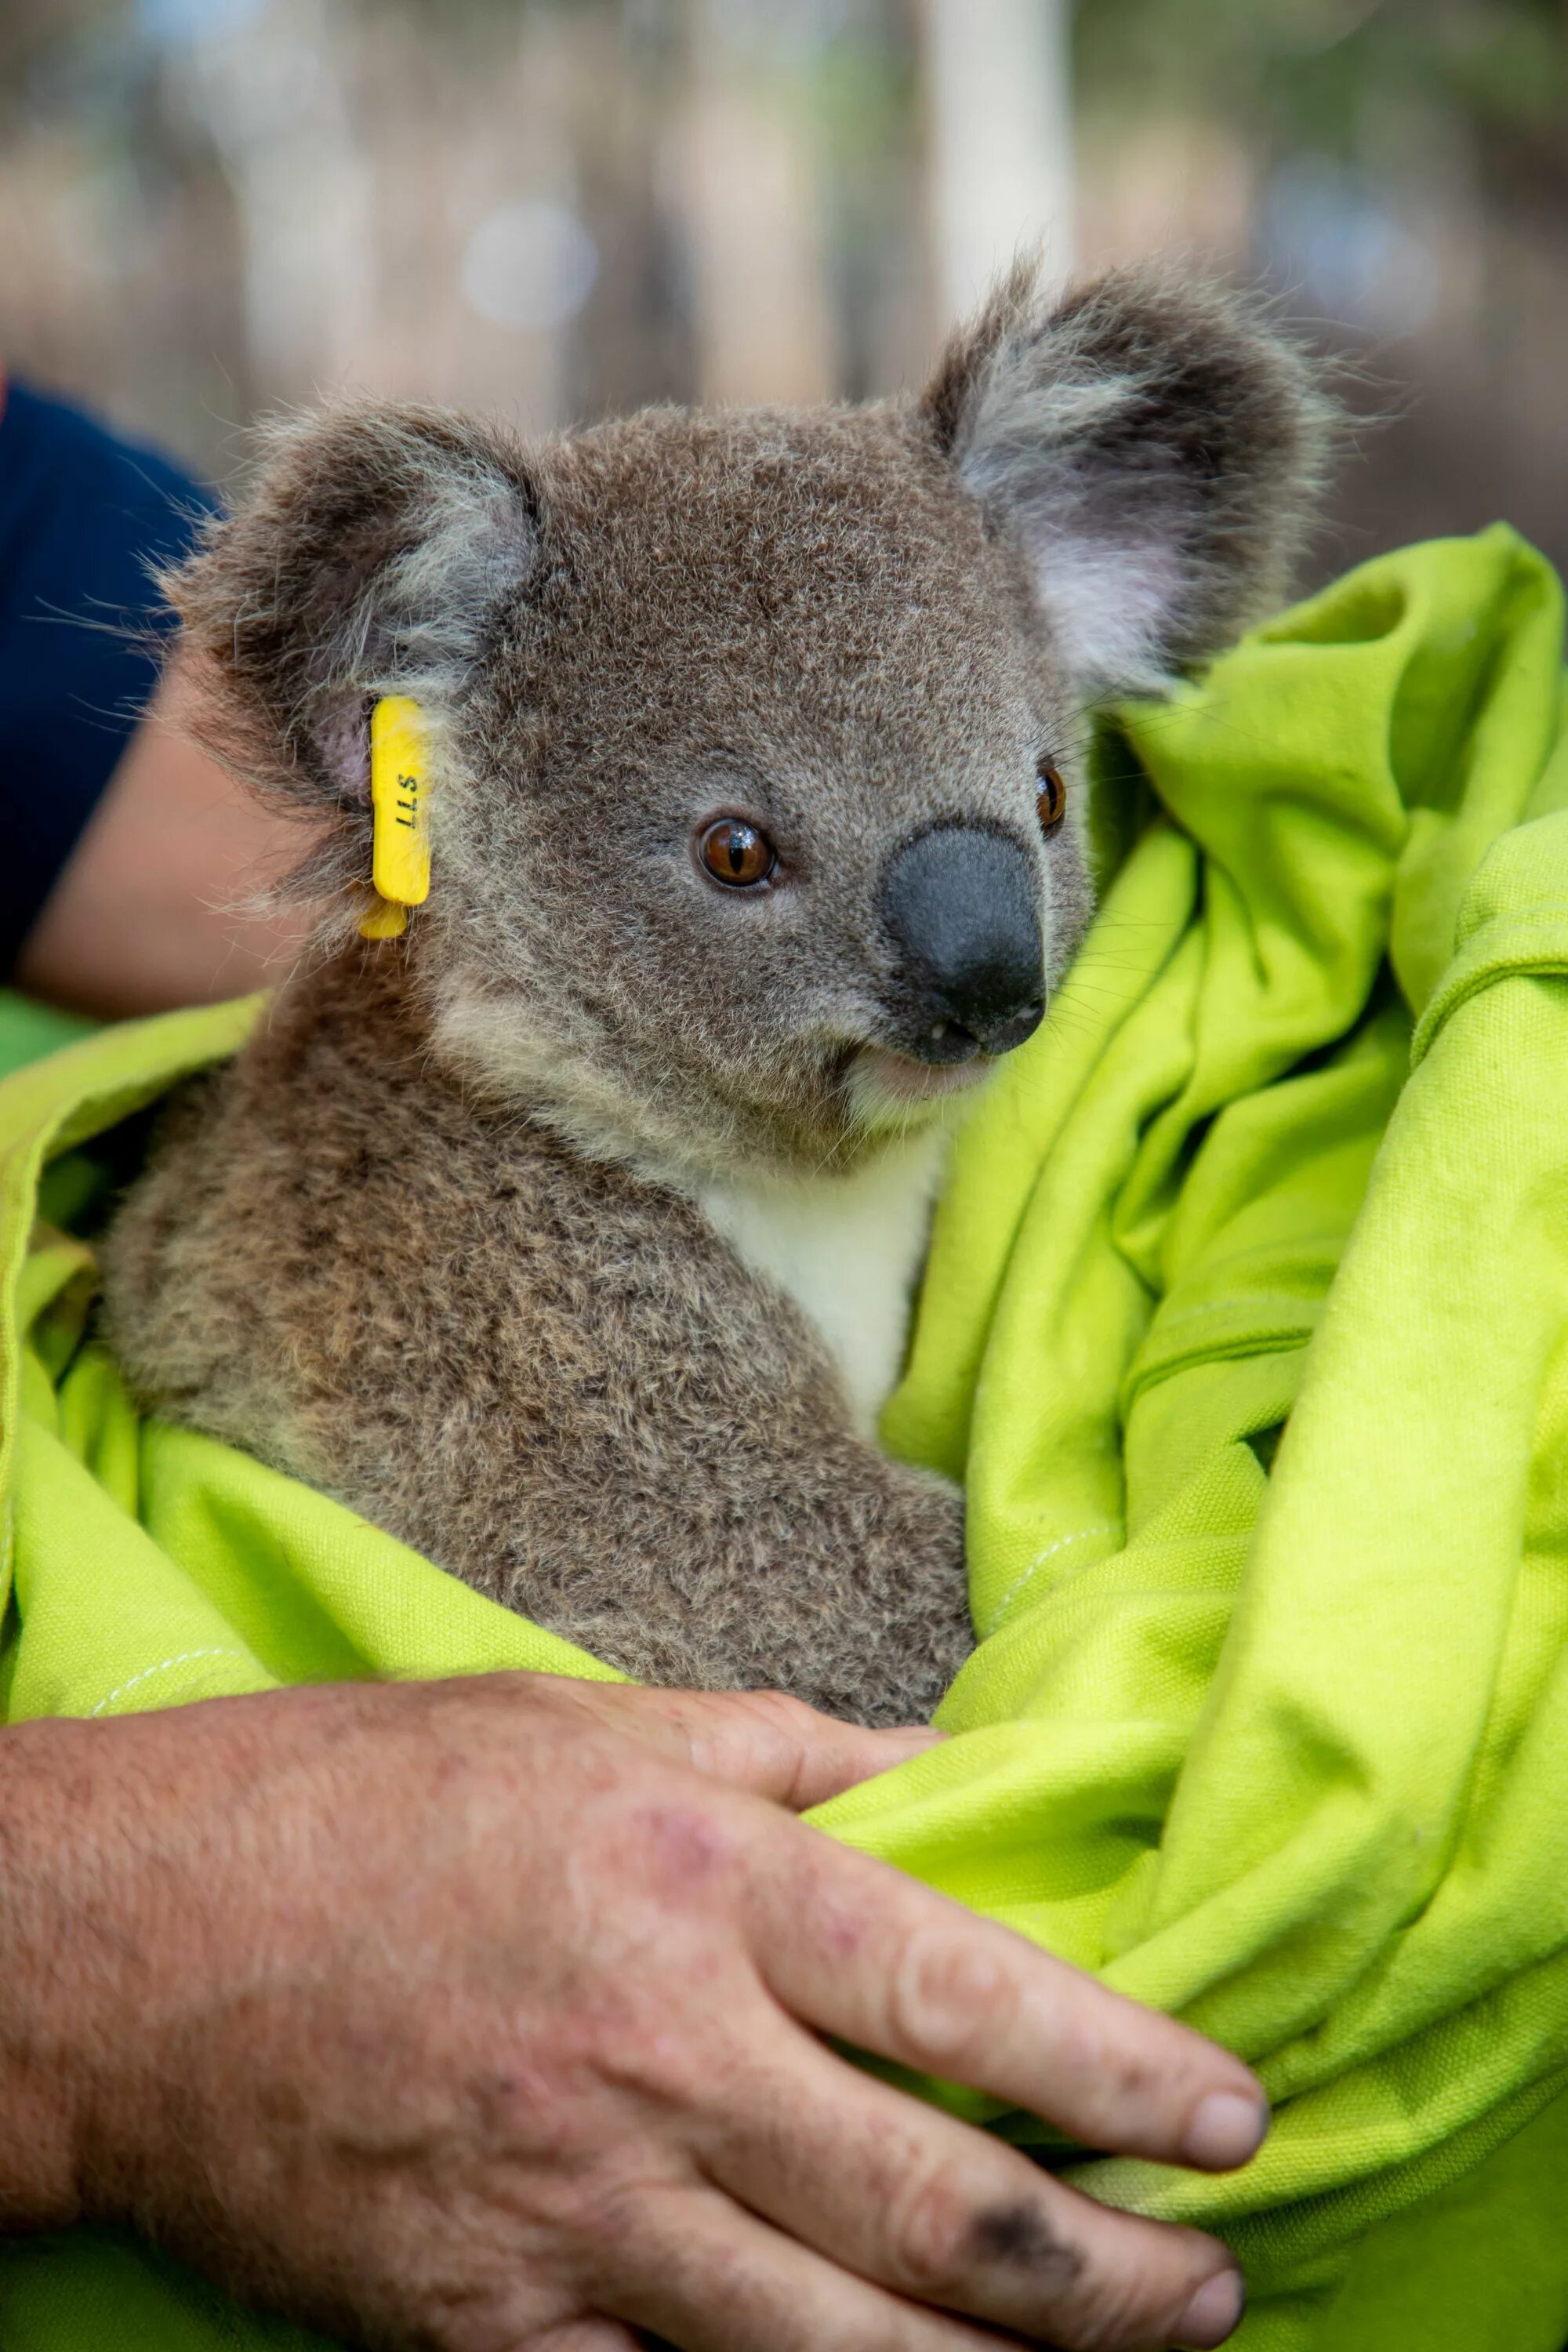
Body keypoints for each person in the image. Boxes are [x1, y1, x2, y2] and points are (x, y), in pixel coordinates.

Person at [0, 376, 1265, 2352]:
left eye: (1029, 808)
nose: (993, 955)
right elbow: (903, 1684)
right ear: (409, 735)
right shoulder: (502, 1274)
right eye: (747, 853)